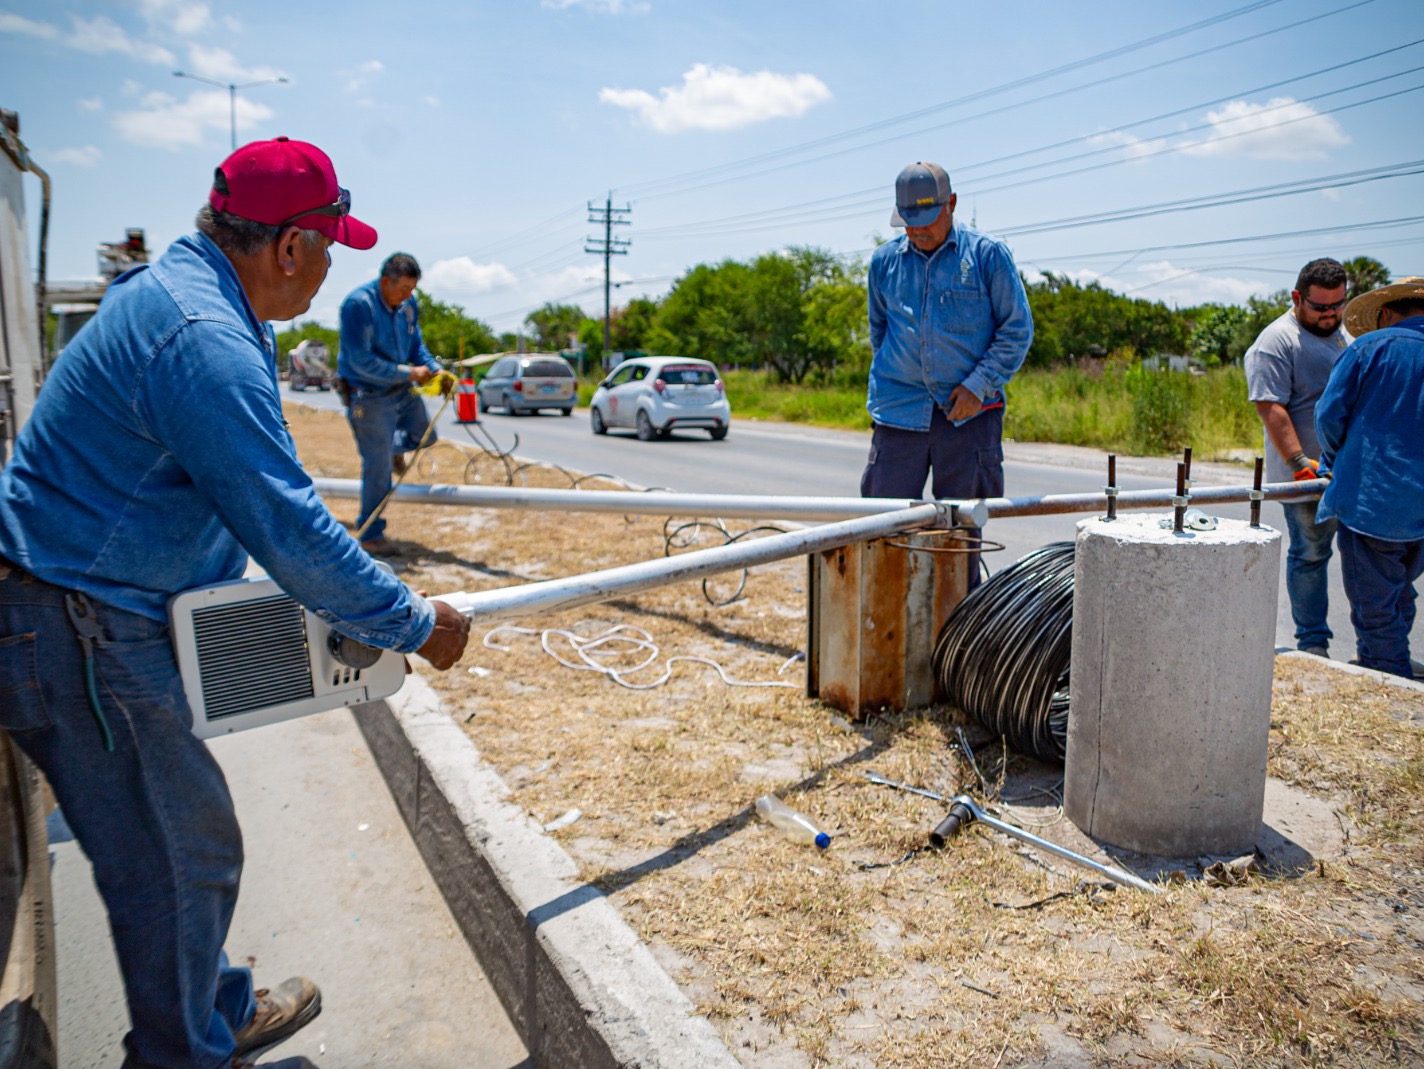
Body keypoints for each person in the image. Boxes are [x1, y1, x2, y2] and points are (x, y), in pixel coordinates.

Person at [0, 137, 471, 1068]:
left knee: (170, 843)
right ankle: (186, 1051)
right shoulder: (203, 337)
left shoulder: (199, 296)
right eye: (332, 242)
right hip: (79, 625)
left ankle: (208, 1012)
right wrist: (414, 621)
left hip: (90, 608)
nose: (337, 263)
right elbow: (285, 522)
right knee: (182, 854)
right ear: (288, 247)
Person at [861, 161, 1033, 584]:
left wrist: (978, 385)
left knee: (960, 535)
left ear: (951, 203)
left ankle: (954, 638)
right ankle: (888, 631)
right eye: (909, 222)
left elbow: (1017, 330)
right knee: (882, 528)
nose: (917, 231)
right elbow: (879, 331)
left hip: (969, 418)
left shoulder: (987, 257)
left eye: (926, 221)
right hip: (898, 414)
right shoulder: (884, 263)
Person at [1315, 276, 1424, 679]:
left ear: (1386, 313)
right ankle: (1394, 661)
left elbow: (1328, 418)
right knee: (1398, 592)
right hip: (1419, 512)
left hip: (1373, 501)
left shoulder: (1369, 348)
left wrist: (1333, 459)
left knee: (1375, 605)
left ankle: (1390, 682)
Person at [1243, 258, 1351, 657]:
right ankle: (1313, 644)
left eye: (1338, 304)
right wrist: (1299, 463)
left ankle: (1379, 647)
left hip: (1346, 473)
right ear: (1297, 297)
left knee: (1369, 557)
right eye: (1322, 307)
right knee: (1310, 554)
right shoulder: (1276, 341)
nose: (1331, 314)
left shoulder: (1343, 334)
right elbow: (1271, 407)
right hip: (1306, 476)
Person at [337, 253, 445, 556]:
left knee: (426, 435)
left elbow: (416, 345)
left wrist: (432, 368)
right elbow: (359, 360)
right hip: (367, 394)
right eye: (403, 289)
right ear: (385, 281)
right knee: (378, 465)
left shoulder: (408, 306)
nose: (408, 296)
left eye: (412, 289)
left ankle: (391, 448)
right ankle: (371, 534)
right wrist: (410, 372)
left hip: (400, 389)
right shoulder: (359, 305)